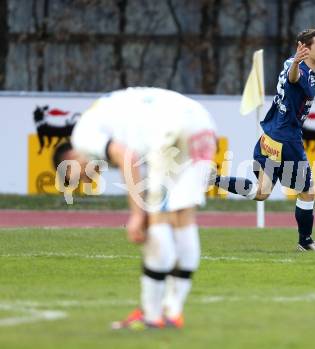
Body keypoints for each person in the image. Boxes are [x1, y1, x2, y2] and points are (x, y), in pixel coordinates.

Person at [52, 87, 217, 329]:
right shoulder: (105, 117)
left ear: (70, 160)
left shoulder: (81, 136)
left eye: (76, 178)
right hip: (202, 121)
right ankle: (173, 313)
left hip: (170, 126)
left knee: (156, 222)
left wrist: (137, 214)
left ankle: (152, 317)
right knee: (184, 218)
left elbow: (127, 156)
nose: (86, 182)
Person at [214, 29, 315, 252]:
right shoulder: (300, 70)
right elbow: (293, 78)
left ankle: (213, 179)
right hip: (287, 140)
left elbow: (290, 74)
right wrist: (298, 64)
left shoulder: (290, 62)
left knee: (262, 192)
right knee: (308, 191)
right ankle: (305, 242)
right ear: (305, 49)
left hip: (269, 138)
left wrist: (295, 62)